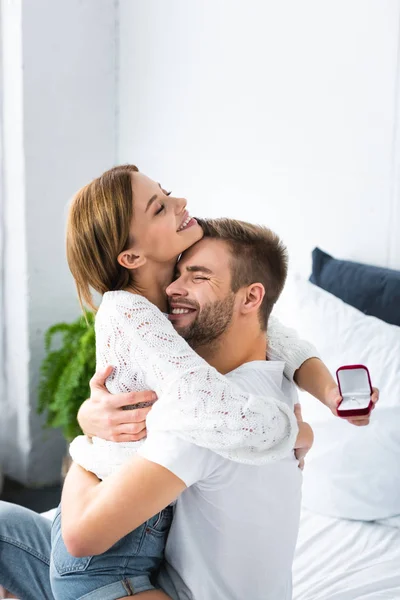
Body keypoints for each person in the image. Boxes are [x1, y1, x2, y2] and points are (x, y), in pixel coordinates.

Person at [0, 166, 378, 600]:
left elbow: (282, 339)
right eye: (159, 207)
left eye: (197, 276)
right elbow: (208, 397)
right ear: (131, 257)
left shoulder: (183, 332)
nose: (180, 204)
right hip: (108, 546)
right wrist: (85, 443)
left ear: (251, 298)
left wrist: (330, 395)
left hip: (118, 542)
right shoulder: (136, 315)